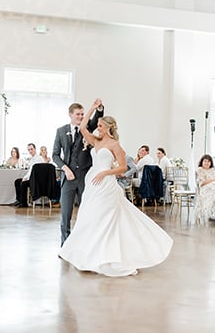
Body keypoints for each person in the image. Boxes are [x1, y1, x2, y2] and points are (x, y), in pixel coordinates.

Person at [59, 99, 173, 276]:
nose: (98, 128)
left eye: (101, 126)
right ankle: (90, 255)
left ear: (109, 128)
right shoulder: (96, 141)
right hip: (92, 184)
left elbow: (123, 167)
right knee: (90, 217)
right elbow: (82, 128)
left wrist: (105, 172)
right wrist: (92, 108)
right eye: (97, 125)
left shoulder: (114, 145)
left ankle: (108, 256)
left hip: (106, 184)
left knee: (106, 218)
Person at [53, 101, 104, 245]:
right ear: (70, 115)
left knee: (86, 212)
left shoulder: (86, 128)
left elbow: (96, 119)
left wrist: (98, 109)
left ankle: (85, 244)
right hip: (68, 178)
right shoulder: (61, 131)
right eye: (78, 114)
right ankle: (65, 245)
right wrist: (65, 169)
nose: (81, 117)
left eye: (82, 114)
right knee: (66, 214)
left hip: (84, 177)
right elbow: (55, 155)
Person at [12, 143, 45, 207]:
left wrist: (25, 178)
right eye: (29, 150)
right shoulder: (32, 159)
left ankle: (24, 203)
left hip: (37, 181)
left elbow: (32, 172)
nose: (30, 151)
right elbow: (30, 171)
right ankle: (19, 200)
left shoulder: (38, 159)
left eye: (31, 149)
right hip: (33, 178)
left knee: (23, 183)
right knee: (17, 181)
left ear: (35, 149)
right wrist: (25, 177)